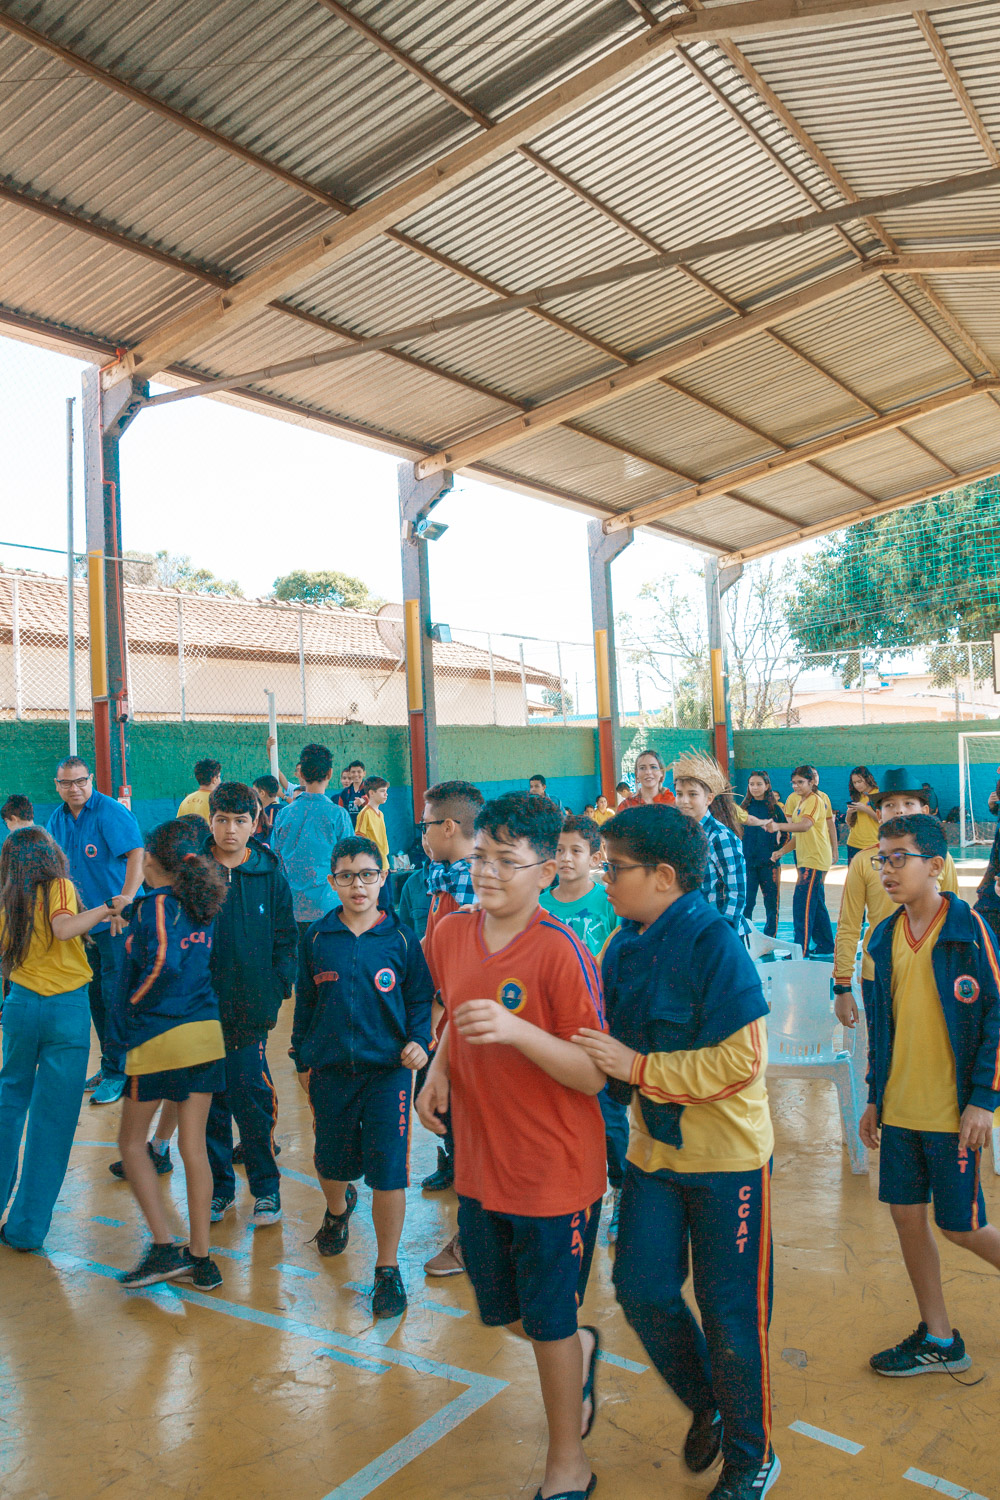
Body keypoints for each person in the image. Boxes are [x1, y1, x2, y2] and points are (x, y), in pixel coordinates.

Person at [575, 805, 778, 1500]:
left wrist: (638, 1069)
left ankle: (752, 1458)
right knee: (641, 1288)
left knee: (731, 1316)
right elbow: (607, 1048)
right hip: (654, 1157)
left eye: (615, 868)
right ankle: (710, 1402)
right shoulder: (623, 946)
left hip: (727, 1164)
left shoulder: (714, 943)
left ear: (663, 876)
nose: (605, 879)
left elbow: (742, 1062)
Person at [417, 792, 606, 1500]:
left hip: (554, 1170)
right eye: (481, 857)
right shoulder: (450, 934)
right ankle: (579, 1348)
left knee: (549, 1324)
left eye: (506, 860)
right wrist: (439, 1068)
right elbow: (457, 1009)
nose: (487, 872)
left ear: (547, 870)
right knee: (509, 1313)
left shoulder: (562, 952)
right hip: (480, 1165)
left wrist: (518, 1030)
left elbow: (592, 1073)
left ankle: (568, 1464)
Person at [860, 814, 1000, 1377]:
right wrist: (875, 1097)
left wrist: (983, 1099)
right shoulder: (883, 937)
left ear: (935, 865)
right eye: (882, 858)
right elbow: (881, 1028)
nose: (887, 870)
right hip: (900, 1110)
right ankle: (940, 1338)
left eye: (900, 858)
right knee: (906, 1216)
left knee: (962, 1225)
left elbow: (996, 1017)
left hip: (951, 1114)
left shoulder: (969, 932)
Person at [292, 835, 433, 1318]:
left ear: (382, 877)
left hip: (388, 1074)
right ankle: (338, 1210)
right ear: (332, 881)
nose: (358, 885)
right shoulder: (315, 939)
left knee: (390, 1172)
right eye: (347, 876)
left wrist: (420, 1040)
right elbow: (305, 1004)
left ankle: (387, 1268)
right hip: (330, 1072)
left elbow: (420, 998)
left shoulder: (401, 939)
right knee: (330, 1162)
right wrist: (301, 1060)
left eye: (368, 875)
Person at [108, 820, 228, 1290]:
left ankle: (162, 1247)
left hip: (160, 1037)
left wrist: (134, 1008)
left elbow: (164, 963)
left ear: (152, 861)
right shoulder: (198, 904)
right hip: (204, 1036)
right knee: (192, 1148)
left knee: (131, 1145)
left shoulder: (158, 905)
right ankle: (200, 1257)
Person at [0, 828, 120, 1251]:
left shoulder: (7, 897)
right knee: (52, 1120)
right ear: (51, 856)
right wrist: (108, 907)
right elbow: (65, 929)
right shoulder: (59, 886)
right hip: (66, 1010)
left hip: (19, 1005)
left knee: (8, 1105)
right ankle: (26, 1229)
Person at [200, 783, 297, 1229]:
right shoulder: (194, 872)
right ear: (210, 820)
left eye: (240, 821)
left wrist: (276, 987)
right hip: (200, 1012)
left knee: (251, 1101)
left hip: (250, 1011)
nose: (230, 830)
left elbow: (285, 936)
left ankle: (266, 1188)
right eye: (222, 820)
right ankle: (219, 1189)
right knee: (209, 1106)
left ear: (255, 823)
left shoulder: (269, 872)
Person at [541, 815, 626, 1243]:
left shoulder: (608, 903)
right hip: (552, 1032)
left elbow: (620, 961)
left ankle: (622, 1189)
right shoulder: (539, 904)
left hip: (599, 1029)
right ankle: (565, 1195)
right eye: (558, 850)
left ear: (595, 857)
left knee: (609, 1119)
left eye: (576, 850)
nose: (566, 858)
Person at [46, 755, 144, 1104]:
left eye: (80, 781)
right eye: (66, 783)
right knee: (97, 996)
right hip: (85, 925)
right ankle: (111, 1064)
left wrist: (126, 902)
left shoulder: (110, 812)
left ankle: (121, 1072)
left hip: (116, 923)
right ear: (57, 785)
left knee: (115, 996)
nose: (74, 788)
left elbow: (137, 855)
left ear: (91, 781)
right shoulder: (57, 819)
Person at [834, 769, 958, 1029]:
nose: (900, 810)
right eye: (890, 805)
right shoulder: (863, 862)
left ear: (925, 811)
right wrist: (842, 986)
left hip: (930, 972)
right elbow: (849, 926)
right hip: (879, 975)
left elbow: (953, 920)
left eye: (909, 803)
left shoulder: (941, 860)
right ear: (879, 815)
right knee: (882, 1047)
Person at [419, 780, 484, 1263]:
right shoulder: (443, 875)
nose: (420, 834)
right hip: (440, 1020)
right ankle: (453, 1163)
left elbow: (463, 962)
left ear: (447, 826)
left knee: (467, 1126)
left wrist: (436, 1009)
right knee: (449, 1118)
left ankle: (474, 1235)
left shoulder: (469, 882)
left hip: (455, 1022)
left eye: (424, 825)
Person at [272, 744, 352, 937]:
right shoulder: (338, 815)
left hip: (292, 907)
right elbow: (350, 864)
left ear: (301, 773)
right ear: (330, 773)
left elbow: (276, 860)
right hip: (329, 907)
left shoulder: (283, 815)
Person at [671, 752, 747, 930]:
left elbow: (737, 891)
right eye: (679, 794)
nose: (684, 801)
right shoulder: (680, 834)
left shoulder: (720, 837)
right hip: (692, 928)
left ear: (709, 798)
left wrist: (723, 932)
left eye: (692, 794)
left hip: (717, 933)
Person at [771, 766, 834, 960]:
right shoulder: (800, 801)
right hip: (806, 858)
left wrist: (778, 826)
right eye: (793, 782)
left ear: (811, 782)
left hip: (814, 860)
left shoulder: (815, 800)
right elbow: (798, 835)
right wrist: (782, 851)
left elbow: (805, 826)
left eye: (800, 782)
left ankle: (801, 950)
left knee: (802, 905)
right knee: (816, 903)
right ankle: (826, 945)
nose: (796, 786)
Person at [740, 772, 787, 938]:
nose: (755, 788)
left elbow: (786, 832)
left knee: (771, 904)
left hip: (769, 865)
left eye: (759, 784)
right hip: (748, 865)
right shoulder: (743, 809)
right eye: (751, 784)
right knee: (747, 903)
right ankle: (744, 938)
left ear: (767, 786)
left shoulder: (775, 809)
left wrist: (778, 851)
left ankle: (770, 939)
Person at [844, 767, 880, 862]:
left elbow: (883, 819)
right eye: (854, 783)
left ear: (868, 779)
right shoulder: (858, 796)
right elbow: (849, 823)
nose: (857, 785)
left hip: (872, 844)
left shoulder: (878, 794)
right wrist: (849, 813)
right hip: (853, 843)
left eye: (860, 781)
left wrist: (865, 809)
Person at [355, 776, 390, 871]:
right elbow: (359, 838)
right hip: (372, 864)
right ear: (371, 793)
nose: (386, 794)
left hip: (384, 863)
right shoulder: (365, 813)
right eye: (382, 791)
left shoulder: (381, 814)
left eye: (386, 791)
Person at [177, 759, 222, 825]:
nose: (220, 780)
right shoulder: (218, 801)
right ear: (214, 779)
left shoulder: (185, 801)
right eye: (219, 776)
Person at [252, 775, 281, 846]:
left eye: (254, 792)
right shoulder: (284, 810)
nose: (253, 796)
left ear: (262, 793)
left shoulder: (271, 812)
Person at [338, 760, 368, 826]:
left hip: (365, 829)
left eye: (359, 772)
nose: (356, 774)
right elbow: (340, 811)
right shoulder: (344, 792)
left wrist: (363, 800)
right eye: (353, 772)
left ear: (364, 773)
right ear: (349, 774)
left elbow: (373, 800)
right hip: (350, 829)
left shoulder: (369, 789)